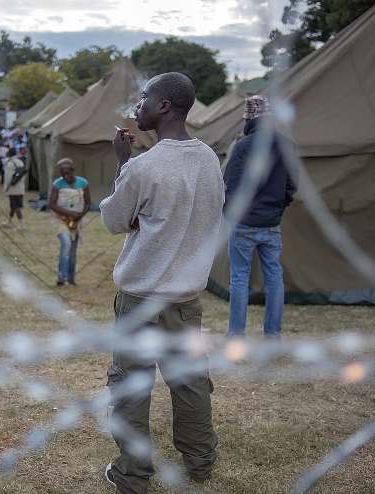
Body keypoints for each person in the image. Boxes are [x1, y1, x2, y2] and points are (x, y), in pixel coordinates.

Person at [99, 72, 223, 493]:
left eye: (145, 98)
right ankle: (201, 461)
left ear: (164, 106)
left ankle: (132, 475)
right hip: (186, 298)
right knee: (189, 382)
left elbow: (114, 220)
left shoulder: (142, 167)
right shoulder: (208, 158)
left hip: (140, 298)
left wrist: (122, 164)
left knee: (131, 386)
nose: (139, 105)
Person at [223, 94, 297, 339]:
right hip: (271, 223)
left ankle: (236, 336)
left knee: (239, 279)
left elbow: (229, 186)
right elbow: (291, 185)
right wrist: (277, 208)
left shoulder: (242, 146)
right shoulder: (286, 144)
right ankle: (273, 336)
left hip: (243, 223)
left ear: (248, 120)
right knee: (275, 279)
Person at [48, 159, 90, 286]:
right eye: (62, 173)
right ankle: (61, 277)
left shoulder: (83, 183)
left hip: (76, 221)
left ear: (73, 171)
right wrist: (69, 214)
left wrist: (78, 216)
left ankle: (71, 279)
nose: (65, 176)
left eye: (68, 173)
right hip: (60, 219)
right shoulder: (57, 184)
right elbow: (51, 204)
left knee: (72, 250)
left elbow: (88, 204)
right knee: (66, 244)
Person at [2, 147, 26, 228]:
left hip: (13, 189)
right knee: (13, 206)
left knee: (16, 206)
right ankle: (9, 221)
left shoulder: (10, 164)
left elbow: (8, 178)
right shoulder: (20, 162)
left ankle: (21, 224)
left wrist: (6, 188)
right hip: (20, 187)